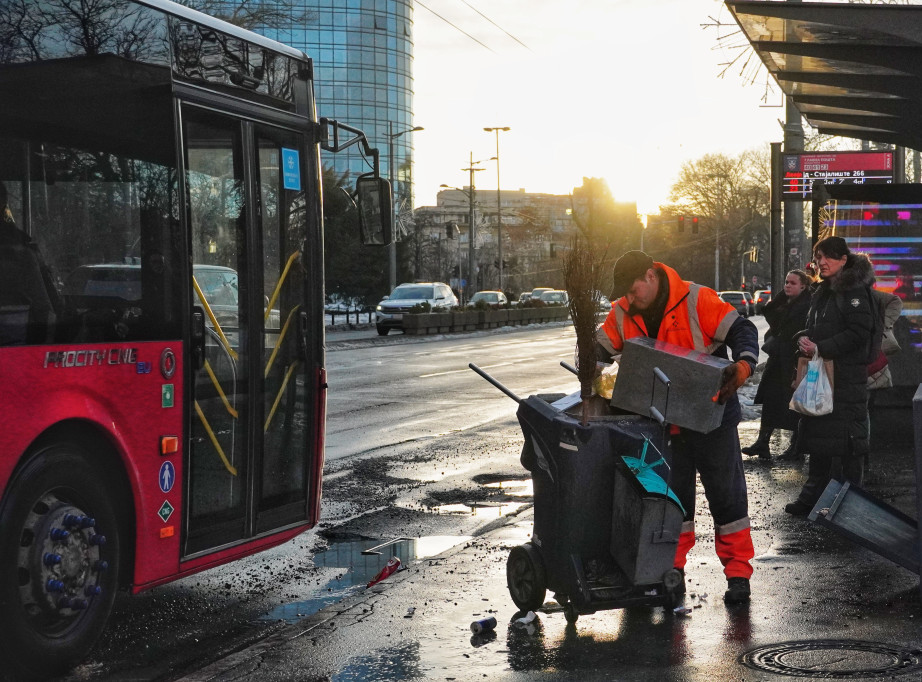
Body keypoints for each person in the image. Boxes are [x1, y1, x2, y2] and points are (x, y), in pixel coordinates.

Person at [595, 250, 759, 604]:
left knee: (727, 497)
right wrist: (595, 370)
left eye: (634, 288)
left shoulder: (696, 298)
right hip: (664, 423)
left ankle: (738, 575)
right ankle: (672, 572)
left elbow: (743, 330)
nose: (630, 297)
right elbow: (599, 349)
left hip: (711, 416)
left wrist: (744, 366)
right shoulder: (622, 311)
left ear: (651, 276)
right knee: (672, 502)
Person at [785, 236, 874, 516]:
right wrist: (804, 338)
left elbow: (860, 333)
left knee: (848, 442)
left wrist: (821, 347)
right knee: (819, 436)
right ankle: (813, 496)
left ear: (844, 260)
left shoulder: (854, 290)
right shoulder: (824, 291)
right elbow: (818, 326)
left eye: (828, 257)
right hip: (824, 374)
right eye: (818, 257)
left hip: (846, 378)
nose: (821, 262)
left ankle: (851, 502)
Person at [742, 270, 811, 460]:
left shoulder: (806, 305)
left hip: (795, 361)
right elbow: (770, 312)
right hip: (778, 359)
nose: (787, 285)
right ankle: (762, 442)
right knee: (771, 399)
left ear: (804, 286)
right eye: (786, 282)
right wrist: (784, 294)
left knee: (795, 404)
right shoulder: (788, 303)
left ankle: (797, 447)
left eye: (793, 283)